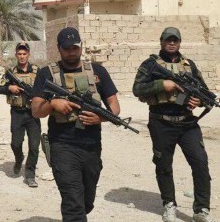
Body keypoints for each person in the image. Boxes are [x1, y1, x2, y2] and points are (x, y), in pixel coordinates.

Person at [31, 27, 120, 222]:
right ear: (59, 49)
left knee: (86, 202)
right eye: (67, 49)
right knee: (73, 202)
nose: (72, 52)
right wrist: (52, 103)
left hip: (91, 147)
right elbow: (36, 111)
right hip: (62, 145)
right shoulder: (46, 74)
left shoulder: (98, 72)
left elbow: (114, 107)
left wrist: (100, 118)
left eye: (75, 48)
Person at [132, 27, 215, 222]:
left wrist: (199, 102)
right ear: (161, 41)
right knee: (163, 165)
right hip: (161, 123)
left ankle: (201, 210)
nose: (171, 43)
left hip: (188, 124)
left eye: (175, 40)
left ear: (179, 42)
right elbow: (137, 89)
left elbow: (205, 93)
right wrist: (162, 85)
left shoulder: (189, 66)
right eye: (168, 40)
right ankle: (169, 204)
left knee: (200, 163)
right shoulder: (150, 65)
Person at [0, 41, 41, 187]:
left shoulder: (37, 71)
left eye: (24, 54)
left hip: (33, 113)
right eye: (19, 54)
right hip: (17, 113)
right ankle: (19, 159)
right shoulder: (11, 72)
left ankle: (30, 174)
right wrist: (10, 87)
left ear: (28, 54)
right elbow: (0, 88)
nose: (22, 57)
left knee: (34, 145)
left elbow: (45, 88)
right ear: (16, 55)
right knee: (16, 143)